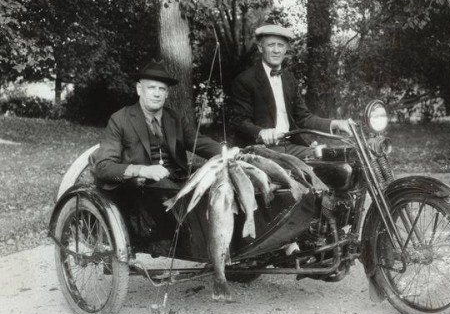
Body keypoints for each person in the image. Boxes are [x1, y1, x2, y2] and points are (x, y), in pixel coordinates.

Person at [92, 60, 222, 254]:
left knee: (217, 180)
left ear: (167, 93)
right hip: (141, 189)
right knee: (170, 191)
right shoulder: (120, 119)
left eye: (162, 89)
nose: (156, 93)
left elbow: (199, 143)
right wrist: (141, 169)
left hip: (177, 179)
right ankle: (187, 243)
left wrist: (229, 153)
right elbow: (102, 166)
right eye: (151, 87)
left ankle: (218, 241)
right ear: (139, 89)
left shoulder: (174, 118)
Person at [231, 24, 351, 158]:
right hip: (261, 150)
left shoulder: (290, 79)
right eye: (271, 45)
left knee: (334, 163)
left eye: (280, 45)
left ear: (286, 49)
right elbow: (239, 120)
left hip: (291, 146)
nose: (276, 50)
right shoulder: (245, 80)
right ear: (260, 47)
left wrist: (336, 124)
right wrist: (261, 132)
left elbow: (304, 118)